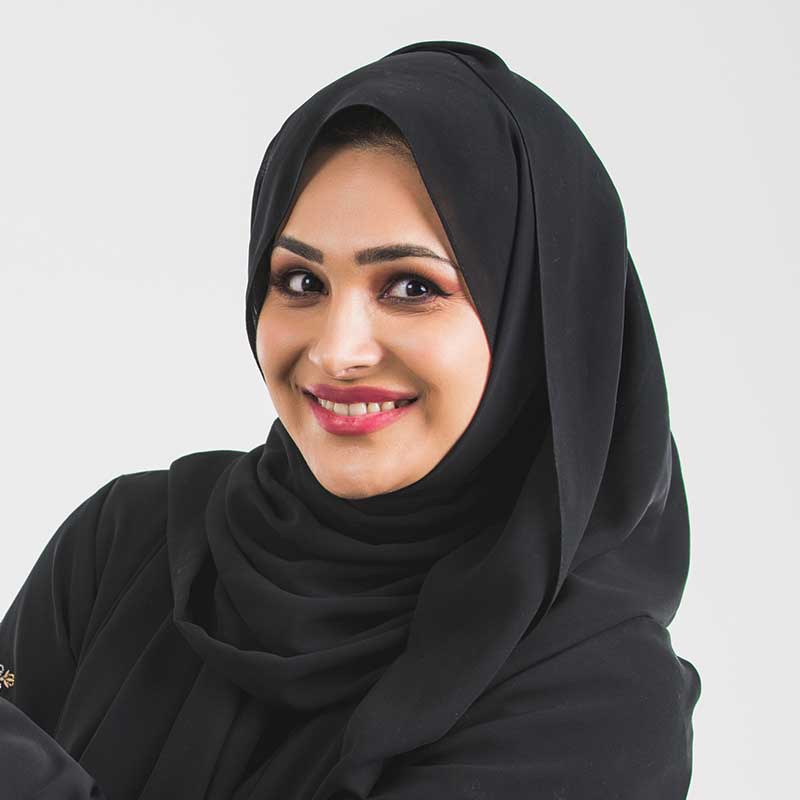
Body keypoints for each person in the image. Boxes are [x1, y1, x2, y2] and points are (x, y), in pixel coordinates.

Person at [0, 40, 701, 799]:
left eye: (411, 287)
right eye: (301, 281)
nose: (337, 351)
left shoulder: (597, 705)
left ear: (539, 327)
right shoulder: (127, 543)